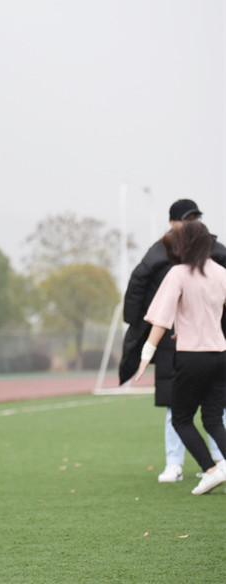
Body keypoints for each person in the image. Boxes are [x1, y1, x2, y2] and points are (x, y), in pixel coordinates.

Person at [120, 199, 226, 483]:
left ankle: (212, 470)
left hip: (190, 356)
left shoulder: (177, 274)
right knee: (214, 419)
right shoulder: (221, 272)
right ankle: (210, 466)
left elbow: (160, 321)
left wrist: (144, 355)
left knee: (179, 416)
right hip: (219, 355)